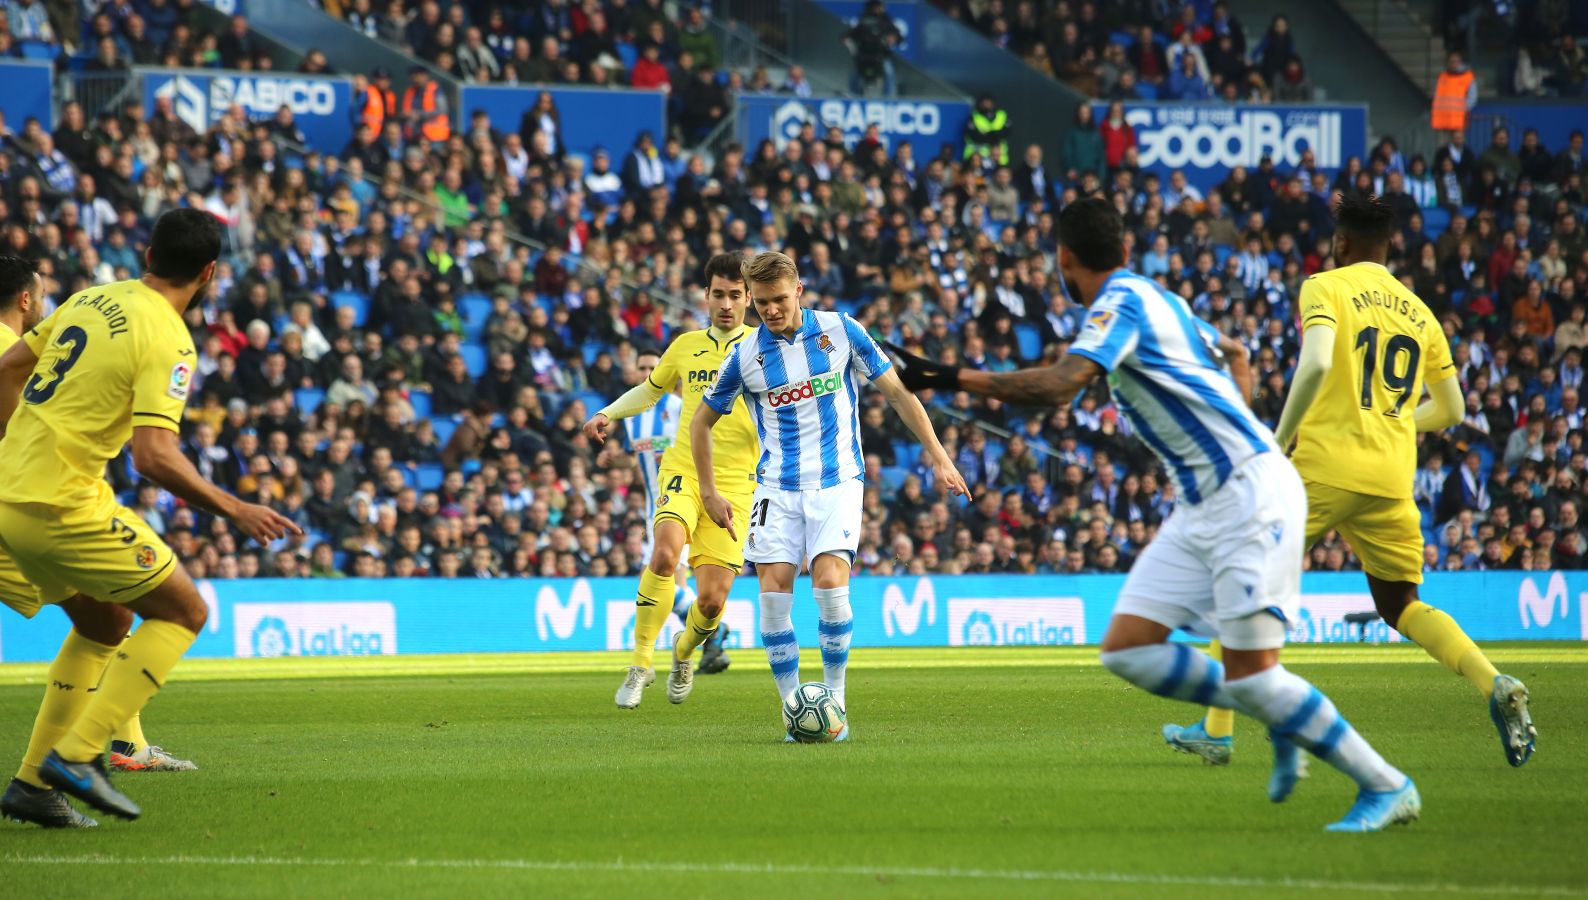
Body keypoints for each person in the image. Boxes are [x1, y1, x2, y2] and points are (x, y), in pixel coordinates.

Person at [888, 197, 1419, 831]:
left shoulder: (1122, 302)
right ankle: (1279, 714)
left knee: (1255, 677)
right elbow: (1241, 354)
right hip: (1206, 502)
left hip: (1247, 496)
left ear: (1063, 259)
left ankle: (1387, 785)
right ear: (1126, 250)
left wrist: (950, 378)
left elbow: (1063, 385)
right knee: (1128, 649)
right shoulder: (1166, 300)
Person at [1163, 195, 1536, 769]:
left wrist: (1277, 440)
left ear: (1341, 243)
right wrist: (1393, 421)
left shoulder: (1325, 286)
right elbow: (1455, 409)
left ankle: (1217, 729)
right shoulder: (1420, 313)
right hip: (1390, 475)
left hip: (1323, 468)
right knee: (1402, 605)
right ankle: (1494, 683)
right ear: (1388, 246)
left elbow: (1313, 365)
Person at [0, 211, 299, 823]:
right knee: (185, 611)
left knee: (105, 619)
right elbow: (154, 457)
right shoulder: (168, 337)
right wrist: (235, 506)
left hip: (8, 496)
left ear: (147, 254)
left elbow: (7, 368)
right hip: (61, 505)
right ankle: (78, 756)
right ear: (210, 273)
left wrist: (19, 444)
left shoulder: (90, 298)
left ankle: (32, 787)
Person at [692, 251, 968, 740]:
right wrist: (710, 492)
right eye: (761, 303)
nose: (771, 310)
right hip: (775, 486)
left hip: (838, 480)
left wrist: (941, 458)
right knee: (773, 596)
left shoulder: (841, 331)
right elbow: (701, 423)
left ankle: (834, 707)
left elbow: (901, 393)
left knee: (829, 586)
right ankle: (793, 713)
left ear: (799, 291)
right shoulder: (745, 356)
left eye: (779, 299)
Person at [583, 253, 759, 708]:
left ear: (748, 299)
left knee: (712, 602)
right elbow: (649, 390)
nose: (725, 303)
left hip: (737, 484)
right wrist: (607, 412)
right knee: (663, 553)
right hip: (682, 469)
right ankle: (641, 663)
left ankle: (684, 651)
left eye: (735, 295)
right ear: (705, 296)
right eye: (718, 294)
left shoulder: (767, 348)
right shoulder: (685, 345)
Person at [610, 347, 730, 675]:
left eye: (653, 366)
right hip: (656, 506)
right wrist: (613, 460)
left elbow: (705, 440)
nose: (648, 371)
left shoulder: (681, 408)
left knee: (656, 578)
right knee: (671, 582)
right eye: (642, 367)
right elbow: (635, 455)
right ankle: (711, 636)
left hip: (683, 503)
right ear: (635, 372)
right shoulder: (634, 418)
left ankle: (713, 632)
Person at [845, 0, 900, 97]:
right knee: (855, 75)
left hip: (881, 56)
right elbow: (851, 34)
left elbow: (897, 35)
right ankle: (855, 96)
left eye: (879, 6)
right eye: (876, 6)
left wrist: (894, 38)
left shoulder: (885, 20)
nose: (878, 9)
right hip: (864, 56)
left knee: (889, 72)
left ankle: (887, 98)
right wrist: (846, 39)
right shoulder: (864, 20)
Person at [963, 95, 1010, 168]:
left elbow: (1007, 132)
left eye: (988, 103)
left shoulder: (1001, 115)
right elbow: (973, 135)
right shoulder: (974, 117)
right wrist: (992, 135)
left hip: (1000, 159)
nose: (986, 105)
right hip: (979, 159)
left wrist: (989, 134)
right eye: (984, 103)